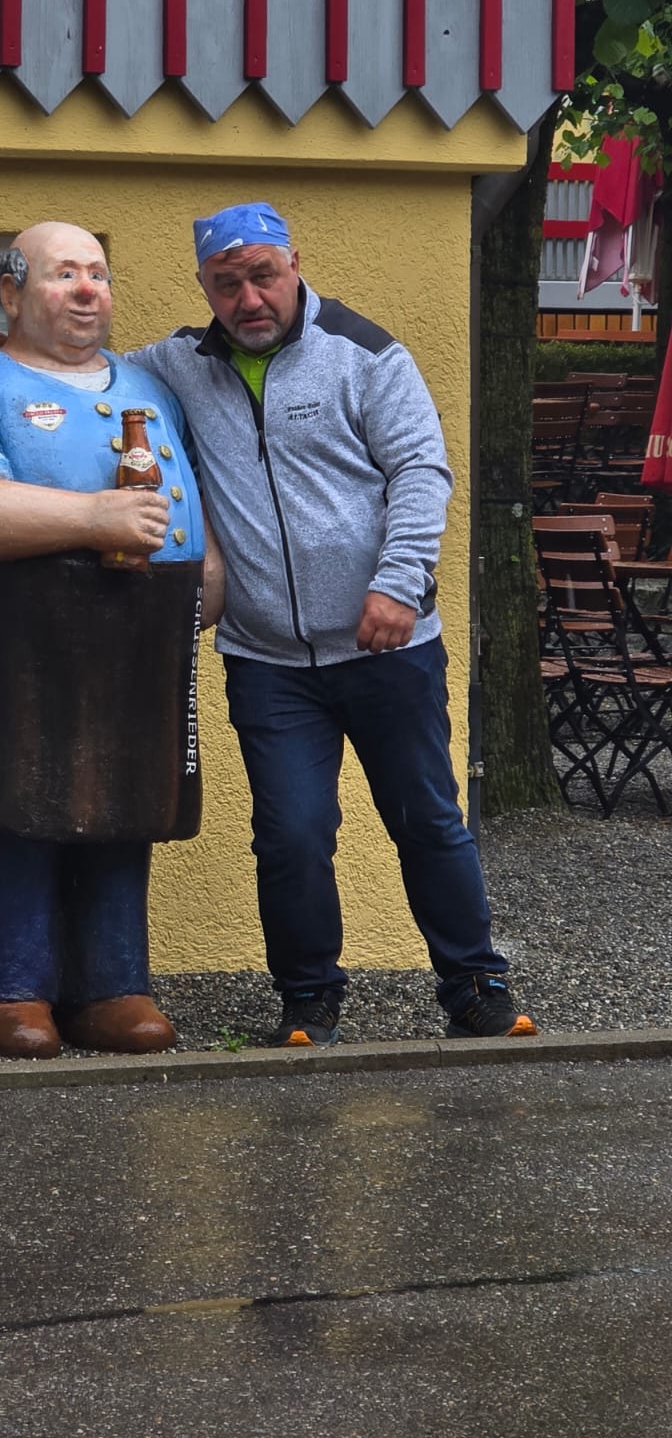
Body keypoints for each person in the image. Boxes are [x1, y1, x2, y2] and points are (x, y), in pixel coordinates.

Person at [128, 200, 536, 1047]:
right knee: (291, 834)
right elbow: (86, 375)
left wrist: (398, 584)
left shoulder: (366, 355)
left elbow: (421, 471)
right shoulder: (178, 365)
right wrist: (1, 357)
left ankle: (475, 987)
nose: (248, 299)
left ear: (295, 265)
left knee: (426, 820)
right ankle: (308, 998)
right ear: (204, 286)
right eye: (227, 283)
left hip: (389, 646)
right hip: (268, 661)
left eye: (263, 276)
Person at [0, 222, 221, 1060]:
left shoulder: (149, 386)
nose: (87, 290)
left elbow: (189, 495)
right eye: (63, 274)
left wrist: (208, 576)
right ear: (11, 293)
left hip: (139, 630)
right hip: (8, 633)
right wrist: (94, 517)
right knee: (7, 803)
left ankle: (110, 982)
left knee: (124, 805)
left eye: (98, 274)